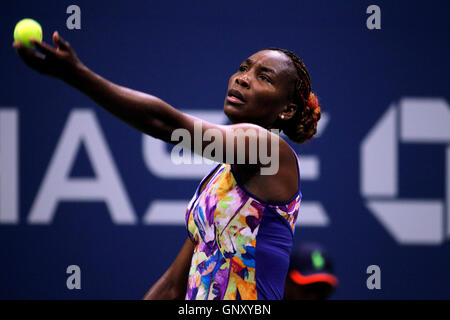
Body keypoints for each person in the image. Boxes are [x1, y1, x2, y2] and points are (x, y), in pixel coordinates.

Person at [13, 31, 321, 300]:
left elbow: (164, 123)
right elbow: (173, 286)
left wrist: (78, 75)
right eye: (243, 68)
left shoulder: (269, 150)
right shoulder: (221, 178)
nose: (242, 78)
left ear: (287, 109)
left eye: (263, 77)